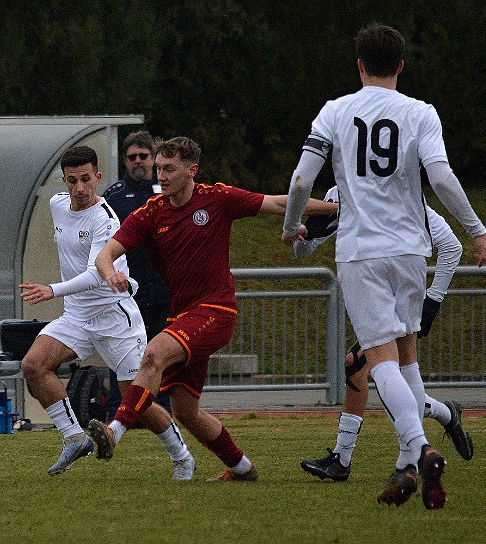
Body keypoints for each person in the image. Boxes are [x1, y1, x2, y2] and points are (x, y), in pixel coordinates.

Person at [281, 24, 486, 508]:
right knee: (406, 358)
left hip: (361, 250)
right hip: (410, 251)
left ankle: (421, 449)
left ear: (359, 64)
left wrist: (291, 225)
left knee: (377, 362)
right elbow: (440, 176)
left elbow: (301, 181)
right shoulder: (420, 112)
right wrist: (477, 229)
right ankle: (405, 469)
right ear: (401, 65)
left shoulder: (336, 110)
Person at [86, 136, 336, 481]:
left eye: (170, 168)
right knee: (187, 411)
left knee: (153, 355)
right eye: (160, 168)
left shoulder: (217, 198)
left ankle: (114, 432)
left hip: (217, 310)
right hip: (183, 315)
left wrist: (339, 208)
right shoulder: (151, 212)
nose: (163, 175)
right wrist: (110, 272)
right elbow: (104, 254)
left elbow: (280, 203)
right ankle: (242, 468)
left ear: (192, 170)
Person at [19, 145, 195, 479]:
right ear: (64, 180)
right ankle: (74, 438)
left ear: (98, 178)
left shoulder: (106, 218)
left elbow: (94, 273)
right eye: (72, 180)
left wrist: (51, 289)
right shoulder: (57, 205)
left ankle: (182, 456)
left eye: (86, 179)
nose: (80, 188)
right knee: (34, 365)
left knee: (136, 401)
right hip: (77, 317)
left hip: (115, 318)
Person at [293, 186, 473, 482]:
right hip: (376, 295)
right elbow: (304, 249)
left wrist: (432, 300)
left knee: (367, 366)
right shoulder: (340, 195)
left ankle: (394, 458)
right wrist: (306, 230)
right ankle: (442, 416)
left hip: (397, 297)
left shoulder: (401, 195)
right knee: (378, 370)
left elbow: (452, 246)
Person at [103, 130, 172, 417]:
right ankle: (119, 411)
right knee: (123, 350)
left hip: (164, 285)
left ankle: (161, 410)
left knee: (162, 352)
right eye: (132, 157)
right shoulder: (115, 195)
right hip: (127, 288)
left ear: (153, 158)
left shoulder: (168, 188)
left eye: (143, 156)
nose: (138, 162)